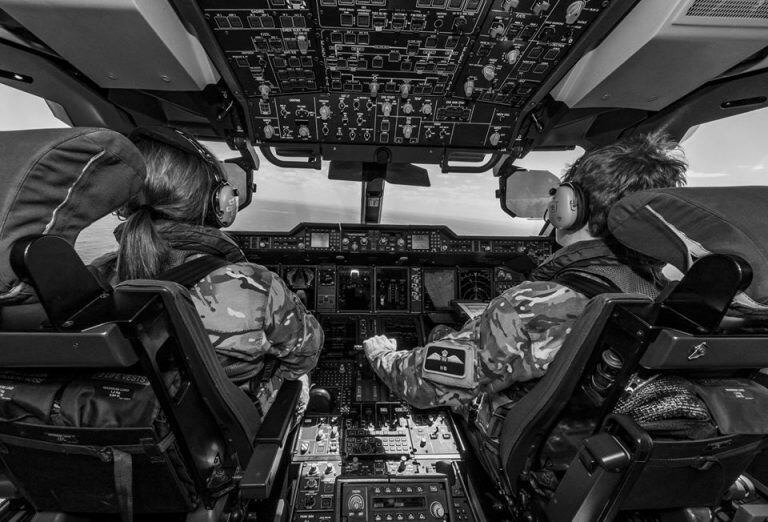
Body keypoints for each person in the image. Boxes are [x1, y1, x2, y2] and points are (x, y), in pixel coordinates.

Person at [362, 132, 687, 440]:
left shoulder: (537, 306)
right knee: (442, 337)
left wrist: (382, 354)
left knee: (439, 344)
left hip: (529, 453)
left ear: (568, 204)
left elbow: (421, 384)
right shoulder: (668, 297)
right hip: (595, 454)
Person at [92, 126, 323, 417]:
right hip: (237, 429)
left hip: (157, 429)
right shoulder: (255, 286)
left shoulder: (95, 279)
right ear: (220, 201)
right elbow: (306, 352)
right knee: (299, 376)